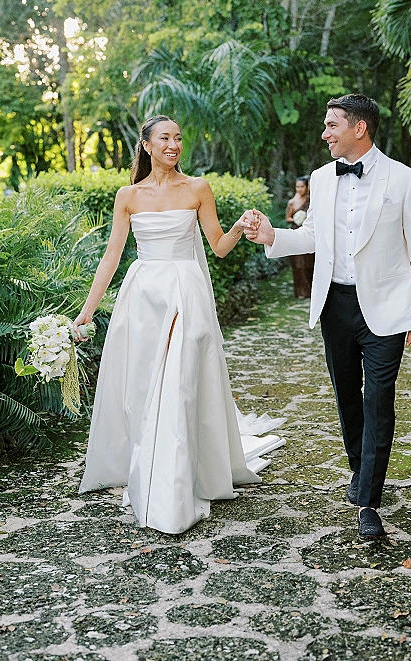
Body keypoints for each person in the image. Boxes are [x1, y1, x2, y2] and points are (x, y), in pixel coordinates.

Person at [74, 115, 284, 535]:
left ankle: (177, 480)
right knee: (144, 387)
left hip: (186, 292)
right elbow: (112, 255)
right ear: (146, 145)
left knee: (181, 382)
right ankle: (148, 464)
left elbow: (218, 247)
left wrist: (239, 227)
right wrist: (87, 310)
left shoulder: (197, 188)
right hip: (143, 297)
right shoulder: (127, 196)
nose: (173, 145)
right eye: (165, 138)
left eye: (178, 138)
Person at [244, 94, 411, 540]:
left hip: (386, 308)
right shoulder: (321, 178)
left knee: (378, 401)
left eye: (332, 125)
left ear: (359, 128)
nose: (324, 134)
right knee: (347, 397)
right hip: (334, 305)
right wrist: (272, 236)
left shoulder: (404, 180)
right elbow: (312, 235)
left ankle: (369, 500)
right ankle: (360, 469)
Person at [285, 176, 315, 298]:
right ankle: (301, 291)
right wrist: (297, 218)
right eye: (297, 187)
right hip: (296, 232)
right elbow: (287, 218)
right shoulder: (292, 202)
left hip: (309, 232)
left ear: (307, 187)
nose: (299, 189)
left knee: (310, 261)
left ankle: (312, 290)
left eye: (302, 186)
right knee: (298, 262)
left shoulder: (311, 200)